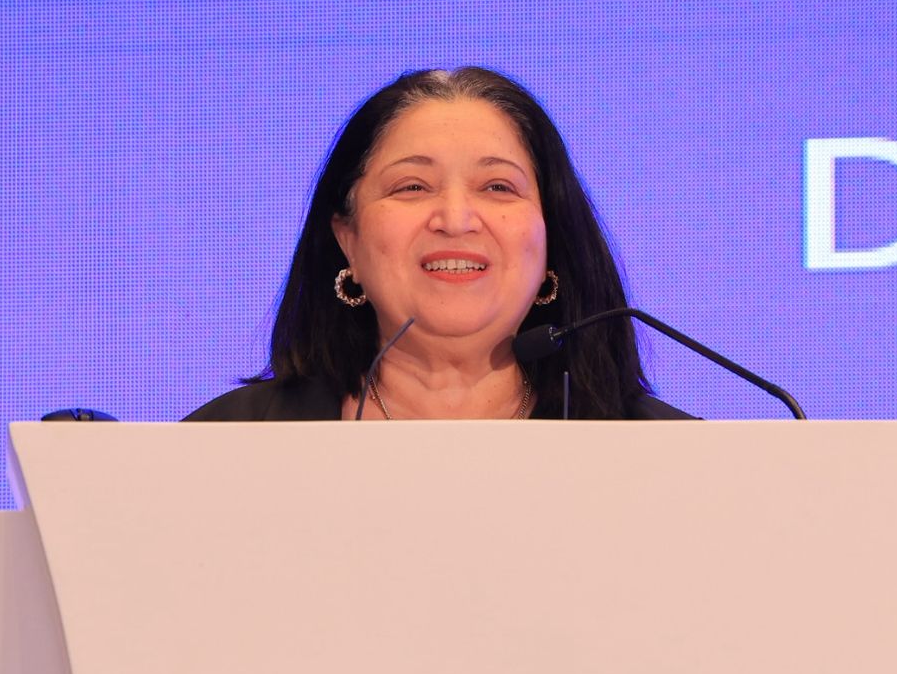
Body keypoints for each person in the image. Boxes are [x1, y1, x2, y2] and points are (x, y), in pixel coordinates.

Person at [186, 67, 690, 421]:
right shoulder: (218, 447)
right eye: (412, 187)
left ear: (551, 237)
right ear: (348, 240)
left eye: (498, 187)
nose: (455, 220)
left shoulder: (678, 458)